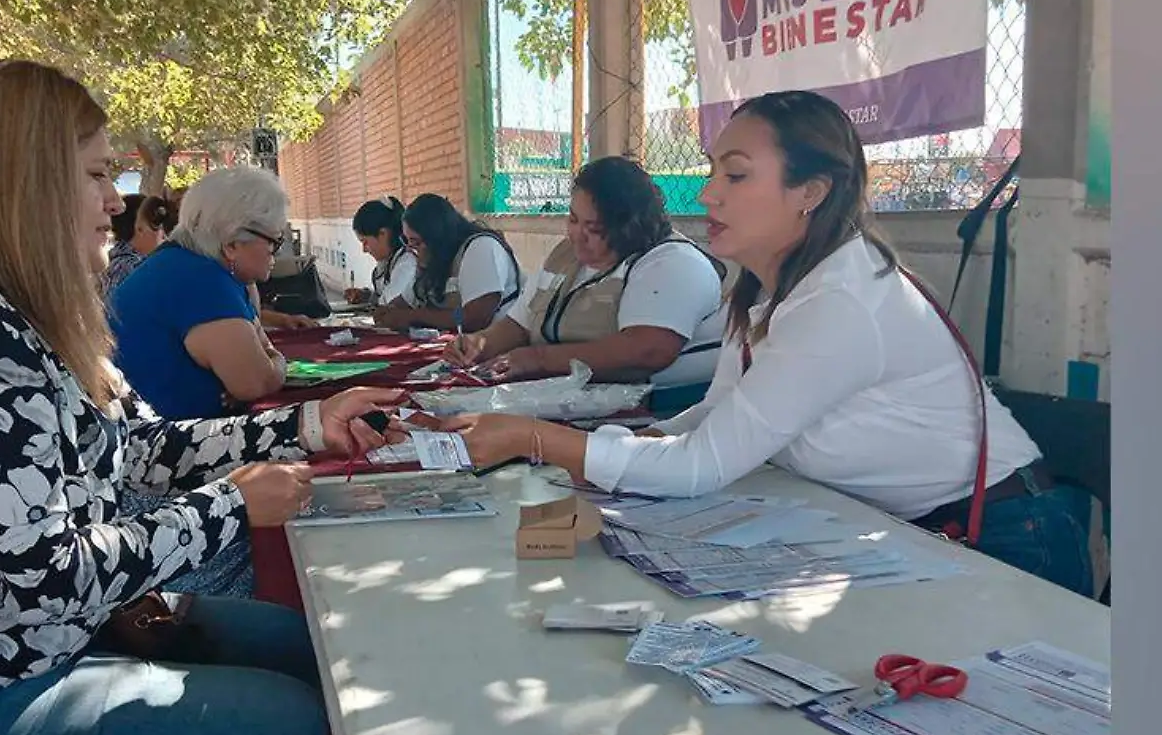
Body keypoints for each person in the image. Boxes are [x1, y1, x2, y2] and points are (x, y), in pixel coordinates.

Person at [0, 58, 403, 735]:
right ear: (20, 184)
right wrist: (230, 506)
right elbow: (44, 575)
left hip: (38, 647)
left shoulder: (20, 317)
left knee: (312, 654)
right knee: (279, 729)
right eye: (98, 175)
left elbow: (137, 450)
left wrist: (308, 427)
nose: (117, 201)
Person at [448, 90, 1094, 596]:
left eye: (735, 176)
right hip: (908, 536)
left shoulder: (841, 301)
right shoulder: (766, 289)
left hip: (1005, 542)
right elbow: (719, 411)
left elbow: (704, 464)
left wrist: (531, 437)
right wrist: (632, 444)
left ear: (810, 193)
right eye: (712, 172)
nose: (707, 194)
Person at [443, 157, 725, 412]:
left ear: (631, 226)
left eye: (595, 229)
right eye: (574, 220)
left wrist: (537, 360)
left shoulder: (673, 263)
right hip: (561, 403)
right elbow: (519, 324)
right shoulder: (566, 256)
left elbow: (647, 350)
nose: (577, 235)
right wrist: (479, 344)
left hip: (644, 416)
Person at [109, 167, 295, 417]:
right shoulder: (201, 281)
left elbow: (258, 341)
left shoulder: (187, 264)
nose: (276, 252)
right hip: (165, 443)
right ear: (231, 243)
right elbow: (256, 383)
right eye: (274, 241)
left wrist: (264, 356)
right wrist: (279, 362)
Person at [370, 193, 521, 333]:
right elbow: (404, 303)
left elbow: (474, 318)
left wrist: (414, 316)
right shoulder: (435, 260)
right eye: (407, 242)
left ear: (436, 238)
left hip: (495, 350)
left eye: (416, 242)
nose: (411, 250)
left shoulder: (481, 247)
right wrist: (388, 312)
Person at [342, 195, 418, 308]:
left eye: (365, 242)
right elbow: (384, 295)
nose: (364, 250)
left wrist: (373, 300)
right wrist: (367, 296)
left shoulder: (406, 265)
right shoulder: (389, 262)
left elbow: (389, 304)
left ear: (383, 234)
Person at [101, 193, 174, 298]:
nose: (163, 232)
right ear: (140, 227)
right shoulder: (132, 268)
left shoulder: (118, 262)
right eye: (156, 222)